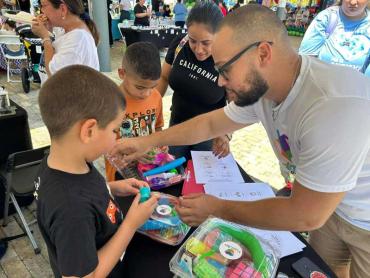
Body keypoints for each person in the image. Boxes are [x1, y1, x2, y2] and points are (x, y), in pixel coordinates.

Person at [112, 5, 370, 278]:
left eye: (225, 70)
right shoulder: (264, 89)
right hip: (329, 210)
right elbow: (211, 123)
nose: (221, 82)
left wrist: (217, 209)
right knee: (327, 269)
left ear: (262, 54)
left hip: (363, 218)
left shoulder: (331, 107)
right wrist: (149, 141)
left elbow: (306, 214)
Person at [35, 65, 159, 278]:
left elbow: (81, 190)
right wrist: (131, 224)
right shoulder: (70, 209)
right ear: (89, 130)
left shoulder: (61, 161)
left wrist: (111, 188)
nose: (116, 137)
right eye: (114, 130)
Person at [156, 1, 230, 160]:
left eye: (206, 43)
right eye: (193, 40)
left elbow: (237, 103)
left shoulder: (227, 59)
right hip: (177, 127)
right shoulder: (180, 44)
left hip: (209, 135)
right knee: (173, 176)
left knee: (201, 181)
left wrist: (226, 134)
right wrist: (151, 108)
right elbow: (163, 77)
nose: (198, 49)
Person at [105, 42, 164, 182]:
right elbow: (102, 143)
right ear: (121, 73)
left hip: (150, 170)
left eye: (153, 87)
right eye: (140, 87)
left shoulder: (156, 96)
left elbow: (157, 128)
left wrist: (161, 145)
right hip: (120, 174)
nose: (146, 93)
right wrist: (133, 152)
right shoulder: (109, 102)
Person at [31, 0, 100, 84]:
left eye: (44, 5)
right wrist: (48, 30)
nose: (41, 10)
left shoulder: (78, 38)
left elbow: (56, 76)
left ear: (63, 9)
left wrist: (45, 38)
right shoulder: (65, 30)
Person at [299, 0, 370, 77]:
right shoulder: (327, 17)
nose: (353, 2)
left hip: (357, 87)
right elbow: (306, 60)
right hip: (322, 85)